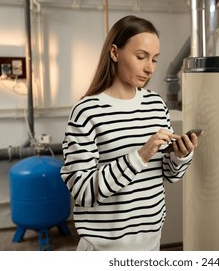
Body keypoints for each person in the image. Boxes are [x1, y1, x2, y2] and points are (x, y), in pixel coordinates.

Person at [60, 15, 199, 251]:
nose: (150, 68)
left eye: (154, 59)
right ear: (115, 53)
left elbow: (168, 174)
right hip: (103, 248)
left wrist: (180, 156)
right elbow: (83, 191)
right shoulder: (87, 111)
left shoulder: (156, 105)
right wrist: (140, 155)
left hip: (152, 242)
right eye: (141, 57)